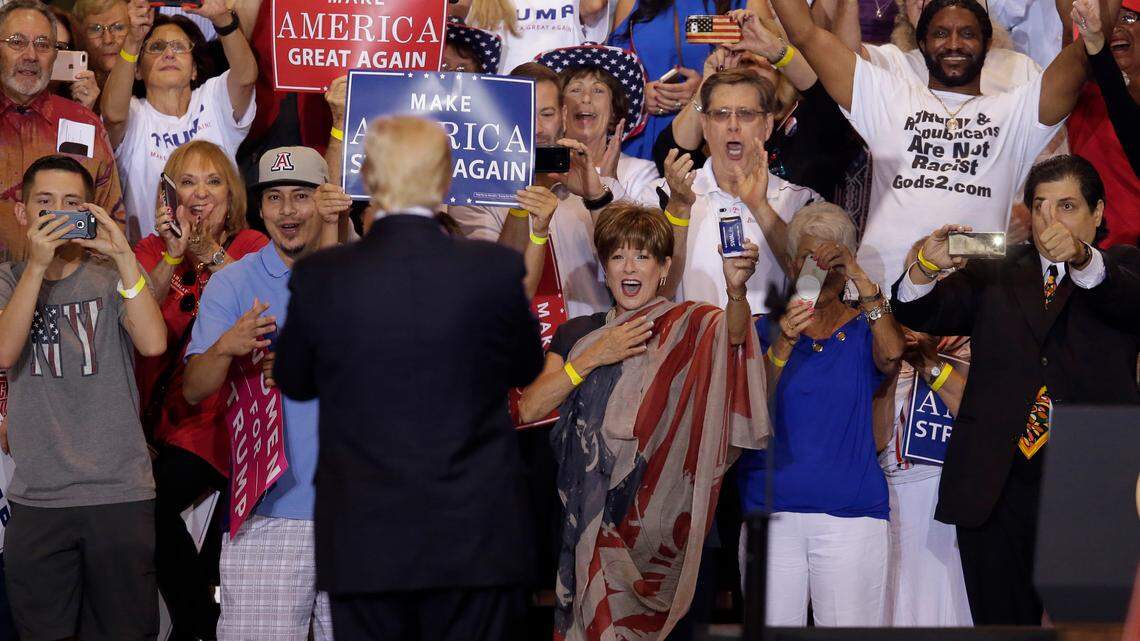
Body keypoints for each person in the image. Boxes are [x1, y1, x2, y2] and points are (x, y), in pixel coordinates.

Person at [273, 116, 544, 641]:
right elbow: (526, 368)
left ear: (370, 179)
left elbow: (295, 379)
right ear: (445, 180)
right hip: (475, 536)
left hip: (365, 538)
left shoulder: (323, 275)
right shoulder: (491, 269)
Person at [891, 154, 1140, 624]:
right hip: (996, 483)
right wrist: (927, 264)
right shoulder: (996, 267)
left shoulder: (1122, 266)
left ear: (1099, 212)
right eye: (1041, 206)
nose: (1052, 220)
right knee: (1001, 625)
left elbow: (1127, 299)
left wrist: (1082, 258)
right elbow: (920, 313)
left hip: (1091, 481)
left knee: (1088, 628)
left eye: (1067, 206)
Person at [518, 203, 769, 640]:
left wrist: (735, 292)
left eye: (642, 256)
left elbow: (733, 336)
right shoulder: (580, 333)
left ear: (664, 267)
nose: (629, 267)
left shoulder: (692, 323)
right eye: (618, 256)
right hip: (592, 528)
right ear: (605, 267)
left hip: (667, 540)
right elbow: (531, 407)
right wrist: (596, 355)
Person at [769, 0, 1097, 288]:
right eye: (941, 34)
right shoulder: (888, 95)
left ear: (987, 42)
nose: (954, 43)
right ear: (923, 43)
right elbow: (805, 34)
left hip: (971, 302)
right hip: (879, 292)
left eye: (967, 34)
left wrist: (950, 249)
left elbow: (1086, 52)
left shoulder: (1016, 110)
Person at [0, 154, 166, 640]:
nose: (56, 213)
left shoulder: (111, 276)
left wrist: (121, 255)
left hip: (119, 494)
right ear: (22, 213)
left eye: (71, 203)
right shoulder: (8, 280)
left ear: (89, 212)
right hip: (37, 499)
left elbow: (153, 343)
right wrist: (36, 267)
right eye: (44, 203)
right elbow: (4, 351)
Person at [183, 146, 340, 640]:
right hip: (266, 513)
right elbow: (194, 388)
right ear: (260, 207)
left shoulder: (364, 275)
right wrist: (227, 347)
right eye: (275, 198)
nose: (288, 211)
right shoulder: (233, 282)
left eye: (301, 196)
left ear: (326, 203)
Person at [736, 202, 903, 626]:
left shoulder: (867, 329)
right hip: (770, 517)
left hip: (851, 519)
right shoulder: (763, 330)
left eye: (834, 260)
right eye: (812, 259)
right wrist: (784, 345)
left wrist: (862, 278)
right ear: (793, 265)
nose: (823, 272)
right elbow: (750, 409)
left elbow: (893, 356)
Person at [131, 139, 267, 641]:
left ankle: (198, 627)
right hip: (162, 418)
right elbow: (137, 328)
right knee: (138, 505)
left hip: (229, 416)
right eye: (187, 182)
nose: (200, 195)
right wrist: (172, 256)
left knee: (151, 503)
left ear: (231, 196)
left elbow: (262, 300)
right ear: (169, 195)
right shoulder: (148, 250)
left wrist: (206, 252)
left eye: (213, 183)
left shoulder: (251, 246)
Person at [658, 68, 820, 313]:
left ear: (767, 126)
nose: (733, 125)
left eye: (745, 114)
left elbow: (814, 286)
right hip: (694, 347)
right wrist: (679, 209)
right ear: (704, 125)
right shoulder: (665, 194)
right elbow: (655, 293)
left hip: (773, 348)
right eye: (721, 115)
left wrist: (760, 206)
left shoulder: (803, 201)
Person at [102, 0, 256, 242]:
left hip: (221, 251)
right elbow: (112, 115)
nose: (169, 53)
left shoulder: (213, 98)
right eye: (156, 47)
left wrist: (222, 19)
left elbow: (246, 78)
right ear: (138, 71)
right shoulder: (134, 113)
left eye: (178, 47)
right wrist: (132, 40)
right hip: (152, 261)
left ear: (194, 68)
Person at [875, 242, 972, 627]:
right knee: (901, 602)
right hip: (898, 495)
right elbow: (876, 438)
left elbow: (978, 413)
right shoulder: (887, 347)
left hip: (956, 495)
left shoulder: (977, 343)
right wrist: (894, 363)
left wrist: (933, 364)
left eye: (943, 278)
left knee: (954, 601)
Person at [0, 0, 125, 261]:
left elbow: (111, 222)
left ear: (56, 56)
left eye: (43, 44)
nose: (31, 55)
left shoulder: (85, 124)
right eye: (16, 41)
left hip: (67, 294)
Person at [607, 0, 745, 161]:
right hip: (643, 139)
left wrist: (706, 89)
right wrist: (639, 94)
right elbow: (612, 74)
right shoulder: (631, 3)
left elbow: (761, 65)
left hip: (709, 136)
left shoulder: (735, 3)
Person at [1066, 0, 1140, 247]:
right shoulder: (1080, 91)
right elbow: (1069, 14)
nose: (1116, 27)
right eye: (1111, 19)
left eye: (1128, 18)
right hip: (1095, 253)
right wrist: (1095, 40)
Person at [47, 6, 101, 111]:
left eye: (59, 47)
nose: (52, 55)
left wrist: (83, 111)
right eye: (43, 44)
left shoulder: (76, 96)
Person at [73, 0, 129, 86]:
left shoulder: (150, 83)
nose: (107, 40)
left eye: (118, 28)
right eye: (95, 29)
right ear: (81, 35)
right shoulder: (67, 87)